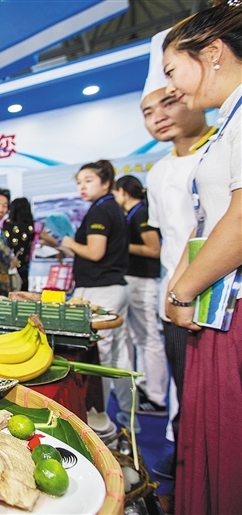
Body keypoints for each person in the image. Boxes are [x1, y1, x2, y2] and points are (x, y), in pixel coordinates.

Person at [162, 3, 242, 512]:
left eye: (174, 71)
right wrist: (181, 282)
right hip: (216, 314)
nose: (172, 89)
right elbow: (209, 218)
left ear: (212, 53)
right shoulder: (227, 123)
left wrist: (182, 290)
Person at [138, 27, 216, 490]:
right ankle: (186, 458)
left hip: (210, 294)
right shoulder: (159, 170)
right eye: (149, 112)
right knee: (183, 387)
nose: (160, 117)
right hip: (173, 294)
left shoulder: (219, 149)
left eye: (169, 102)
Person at [61, 160, 137, 431]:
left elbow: (95, 253)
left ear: (106, 183)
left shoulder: (101, 211)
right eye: (79, 181)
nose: (82, 186)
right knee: (119, 356)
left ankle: (98, 417)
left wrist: (69, 242)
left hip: (101, 292)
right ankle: (129, 417)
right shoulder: (109, 208)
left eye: (89, 180)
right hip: (113, 287)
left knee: (99, 357)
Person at [113, 175, 169, 416]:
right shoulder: (132, 214)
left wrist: (117, 246)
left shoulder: (141, 213)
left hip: (143, 280)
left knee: (149, 337)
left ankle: (157, 396)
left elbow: (153, 249)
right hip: (133, 279)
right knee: (139, 338)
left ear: (123, 191)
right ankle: (144, 386)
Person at [2, 197, 59, 291]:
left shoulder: (3, 224)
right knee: (22, 294)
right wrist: (41, 242)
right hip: (24, 266)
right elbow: (54, 242)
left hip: (5, 266)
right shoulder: (35, 226)